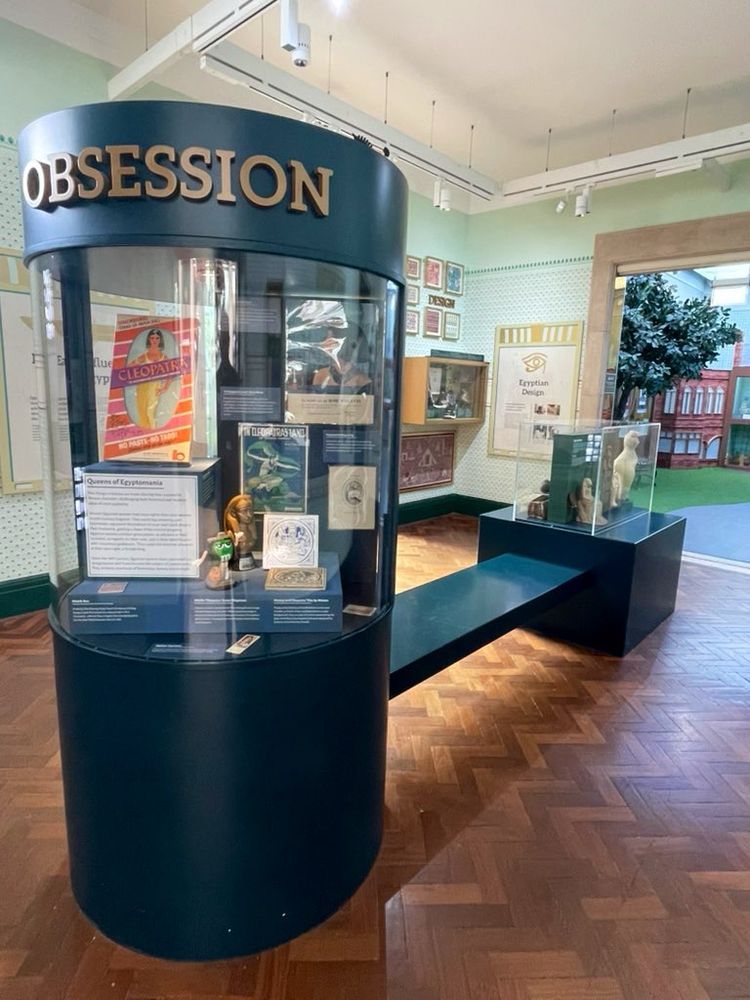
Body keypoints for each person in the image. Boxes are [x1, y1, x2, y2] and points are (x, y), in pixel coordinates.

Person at [133, 328, 173, 429]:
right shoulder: (144, 356)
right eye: (152, 338)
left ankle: (152, 434)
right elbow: (130, 367)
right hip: (142, 387)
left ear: (160, 340)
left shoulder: (164, 358)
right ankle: (144, 435)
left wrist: (165, 387)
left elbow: (170, 374)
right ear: (149, 340)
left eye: (157, 338)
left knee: (150, 412)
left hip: (155, 387)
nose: (154, 340)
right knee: (142, 412)